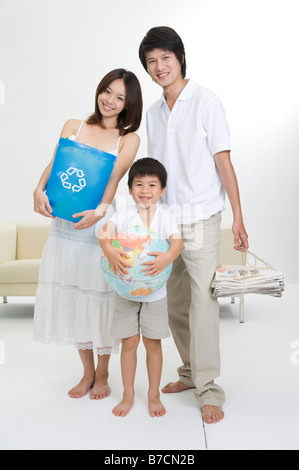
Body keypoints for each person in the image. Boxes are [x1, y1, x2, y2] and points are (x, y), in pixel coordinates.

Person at [139, 27, 249, 424]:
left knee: (203, 302)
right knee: (176, 304)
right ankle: (189, 372)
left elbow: (224, 162)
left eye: (165, 57)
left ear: (180, 58)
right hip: (167, 222)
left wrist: (237, 216)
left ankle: (209, 388)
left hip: (202, 218)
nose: (159, 66)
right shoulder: (152, 113)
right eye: (151, 61)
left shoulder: (206, 101)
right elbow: (155, 174)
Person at [33, 69, 142, 400]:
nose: (109, 100)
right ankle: (86, 372)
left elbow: (113, 181)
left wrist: (101, 210)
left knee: (98, 299)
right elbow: (54, 165)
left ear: (128, 104)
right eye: (106, 92)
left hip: (96, 226)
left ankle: (104, 373)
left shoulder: (128, 139)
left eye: (119, 97)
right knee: (73, 297)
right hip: (64, 227)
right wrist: (38, 189)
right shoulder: (73, 126)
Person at [97, 158, 183, 417]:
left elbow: (177, 243)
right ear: (130, 188)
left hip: (156, 294)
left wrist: (168, 257)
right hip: (125, 291)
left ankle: (153, 395)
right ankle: (128, 394)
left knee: (152, 343)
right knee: (129, 341)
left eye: (152, 185)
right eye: (139, 184)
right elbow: (104, 233)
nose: (145, 190)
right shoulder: (122, 215)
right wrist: (109, 250)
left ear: (162, 190)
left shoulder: (166, 217)